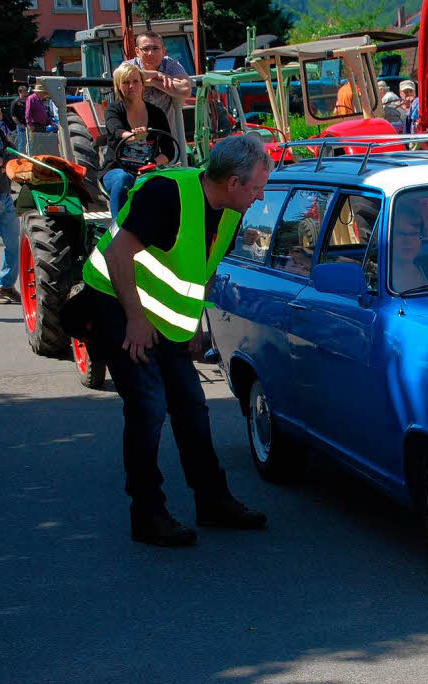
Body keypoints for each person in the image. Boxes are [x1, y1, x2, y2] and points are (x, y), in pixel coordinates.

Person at [72, 135, 271, 546]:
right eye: (256, 187)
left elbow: (202, 270)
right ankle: (147, 514)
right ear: (233, 182)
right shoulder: (168, 193)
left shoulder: (229, 210)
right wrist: (135, 320)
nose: (261, 195)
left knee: (191, 406)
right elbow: (118, 253)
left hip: (158, 317)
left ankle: (213, 501)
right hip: (117, 303)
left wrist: (196, 327)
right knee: (148, 407)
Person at [101, 63, 175, 218]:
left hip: (147, 170)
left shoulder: (156, 113)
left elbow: (169, 150)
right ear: (118, 86)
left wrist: (152, 164)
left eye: (135, 81)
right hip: (116, 170)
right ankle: (118, 229)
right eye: (125, 82)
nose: (131, 86)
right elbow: (116, 130)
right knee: (123, 179)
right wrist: (132, 136)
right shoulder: (114, 109)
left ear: (143, 84)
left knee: (172, 183)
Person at [124, 31, 191, 134]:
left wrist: (152, 82)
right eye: (145, 49)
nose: (151, 53)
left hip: (165, 134)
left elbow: (185, 90)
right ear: (137, 51)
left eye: (155, 48)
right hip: (135, 134)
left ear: (163, 51)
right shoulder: (129, 65)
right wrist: (156, 74)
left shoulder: (170, 64)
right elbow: (119, 76)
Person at [0, 108, 20, 304]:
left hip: (4, 194)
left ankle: (6, 285)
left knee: (13, 244)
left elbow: (12, 154)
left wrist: (1, 162)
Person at [391, 201, 427, 291]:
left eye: (414, 234)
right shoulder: (377, 276)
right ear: (388, 236)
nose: (408, 241)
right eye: (401, 234)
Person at [10, 85, 27, 153]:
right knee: (22, 143)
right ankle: (21, 157)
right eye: (24, 91)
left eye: (26, 91)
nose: (26, 93)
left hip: (29, 125)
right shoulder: (15, 102)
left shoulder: (28, 100)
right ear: (20, 92)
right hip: (21, 126)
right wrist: (20, 124)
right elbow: (13, 116)